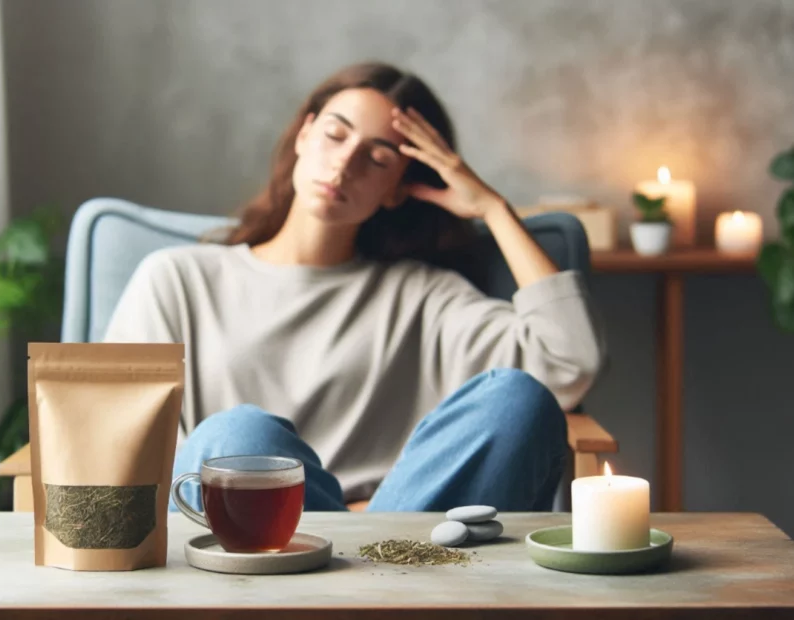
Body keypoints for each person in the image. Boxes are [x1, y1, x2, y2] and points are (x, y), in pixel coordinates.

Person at [104, 62, 605, 513]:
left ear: (398, 190)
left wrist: (493, 208)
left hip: (392, 547)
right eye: (334, 135)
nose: (345, 165)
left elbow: (567, 363)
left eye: (378, 159)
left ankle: (368, 587)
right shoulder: (177, 278)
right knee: (237, 439)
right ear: (303, 135)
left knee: (518, 399)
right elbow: (130, 443)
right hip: (245, 548)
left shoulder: (422, 297)